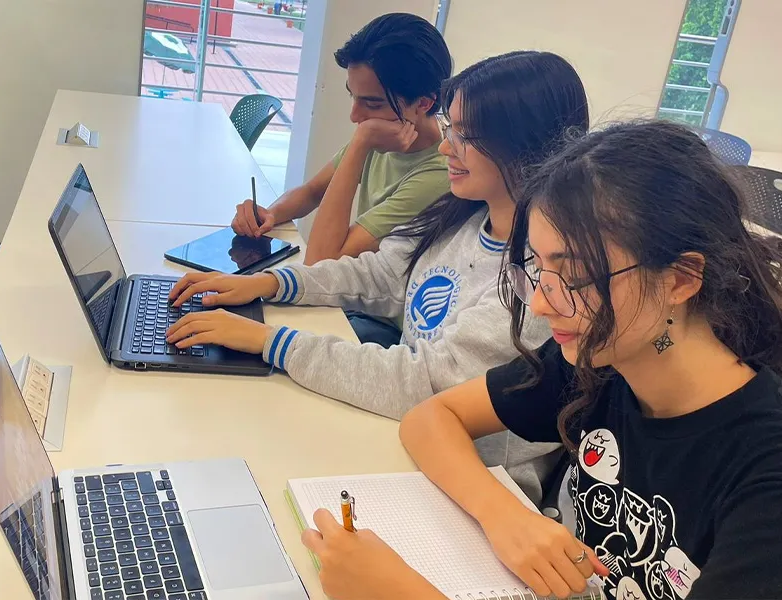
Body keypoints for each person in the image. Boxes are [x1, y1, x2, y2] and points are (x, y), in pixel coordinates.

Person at [299, 121, 782, 600]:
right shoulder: (596, 363)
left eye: (573, 276)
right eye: (538, 268)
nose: (543, 301)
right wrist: (505, 517)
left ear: (681, 279)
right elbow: (431, 418)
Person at [167, 51, 591, 500]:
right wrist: (270, 285)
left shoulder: (541, 280)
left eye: (467, 136)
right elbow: (379, 275)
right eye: (451, 129)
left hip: (475, 484)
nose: (446, 147)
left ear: (527, 145)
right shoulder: (463, 217)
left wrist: (268, 340)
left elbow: (423, 382)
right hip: (405, 438)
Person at [232, 13, 453, 267]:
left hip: (373, 305)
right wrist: (269, 214)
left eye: (372, 103)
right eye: (354, 97)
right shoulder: (381, 134)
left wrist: (361, 142)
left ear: (424, 103)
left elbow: (323, 260)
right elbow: (312, 192)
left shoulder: (438, 174)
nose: (355, 116)